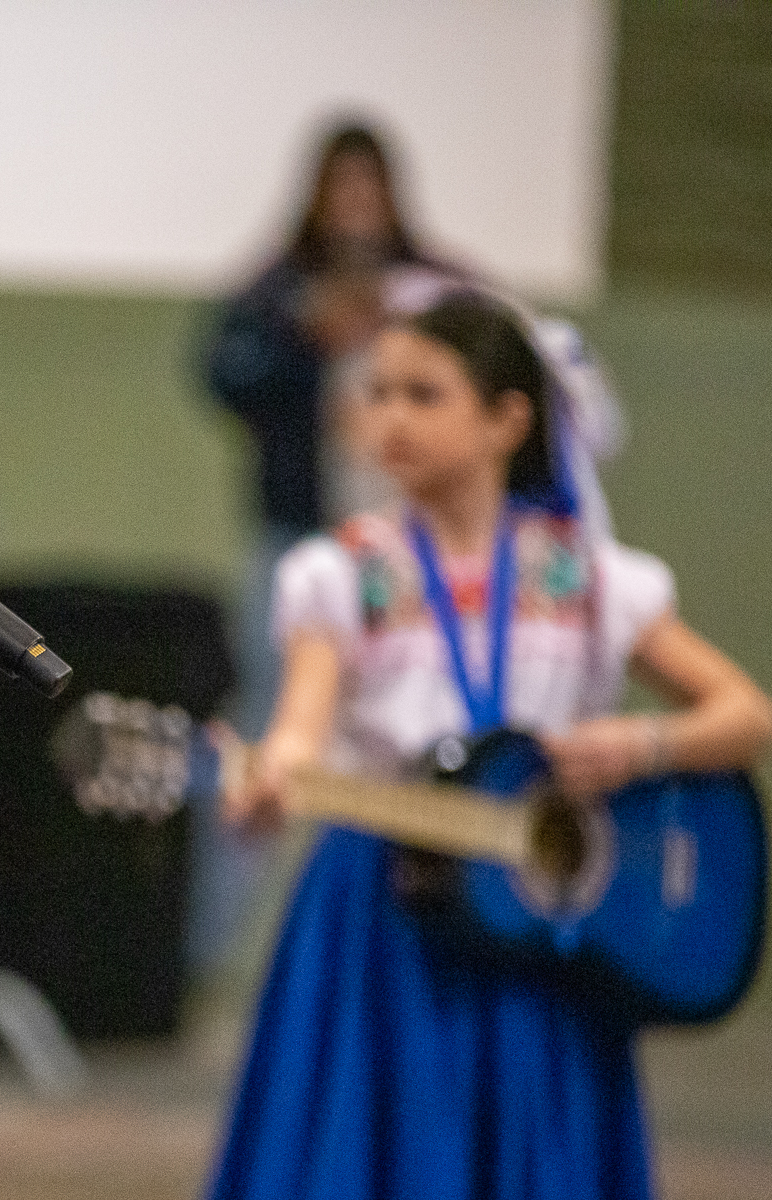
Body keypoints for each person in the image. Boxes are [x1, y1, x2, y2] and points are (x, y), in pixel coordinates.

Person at [163, 293, 772, 1200]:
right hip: (385, 919)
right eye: (377, 393)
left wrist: (636, 750)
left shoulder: (588, 581)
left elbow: (745, 716)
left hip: (544, 929)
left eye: (422, 394)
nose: (389, 418)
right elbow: (300, 735)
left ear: (504, 419)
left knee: (528, 1158)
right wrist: (268, 779)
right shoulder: (343, 572)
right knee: (378, 1165)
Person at [192, 122, 468, 972]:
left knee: (417, 738)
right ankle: (205, 949)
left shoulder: (434, 288)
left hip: (407, 556)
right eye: (339, 189)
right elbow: (219, 366)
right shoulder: (279, 289)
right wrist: (303, 339)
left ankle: (432, 932)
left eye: (367, 188)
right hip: (298, 537)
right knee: (270, 735)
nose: (353, 207)